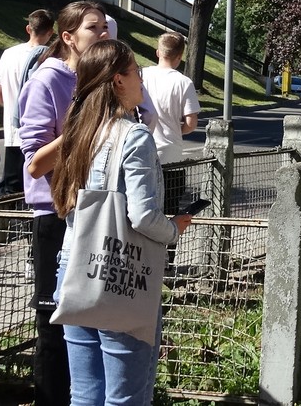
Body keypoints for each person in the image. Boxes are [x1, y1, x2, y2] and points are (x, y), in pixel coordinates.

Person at [50, 40, 191, 406]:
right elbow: (142, 215)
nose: (142, 80)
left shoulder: (79, 131)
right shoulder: (134, 135)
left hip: (73, 270)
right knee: (126, 397)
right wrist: (174, 229)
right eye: (136, 73)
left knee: (85, 393)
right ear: (118, 80)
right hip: (119, 276)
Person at [17, 1, 109, 406]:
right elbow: (35, 162)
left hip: (95, 213)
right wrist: (83, 126)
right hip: (56, 216)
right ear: (68, 37)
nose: (103, 34)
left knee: (92, 321)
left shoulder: (97, 79)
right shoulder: (47, 81)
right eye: (94, 28)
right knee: (54, 326)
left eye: (105, 27)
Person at [0, 9, 54, 196]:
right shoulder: (51, 58)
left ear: (28, 28)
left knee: (11, 191)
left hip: (13, 132)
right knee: (38, 191)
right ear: (51, 32)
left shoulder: (9, 54)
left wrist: (12, 105)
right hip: (41, 135)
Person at [140, 31, 201, 217]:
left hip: (141, 149)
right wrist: (176, 130)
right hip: (171, 154)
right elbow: (191, 123)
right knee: (169, 210)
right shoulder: (184, 83)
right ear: (180, 56)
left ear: (158, 52)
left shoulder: (141, 75)